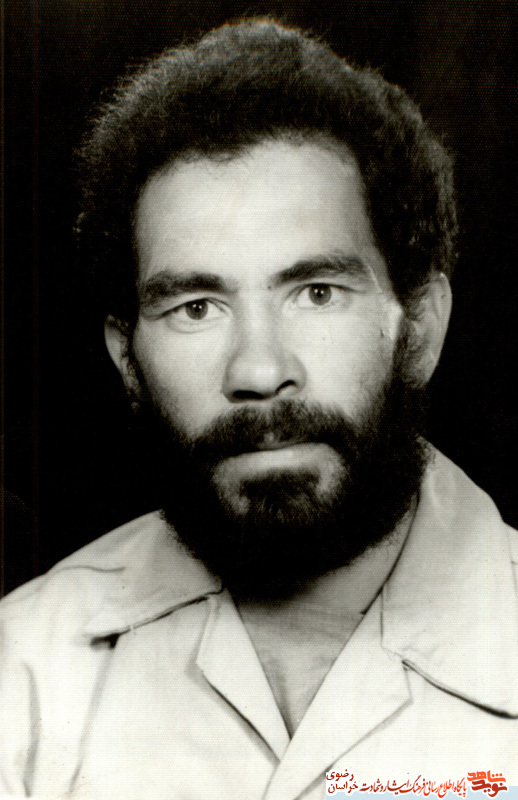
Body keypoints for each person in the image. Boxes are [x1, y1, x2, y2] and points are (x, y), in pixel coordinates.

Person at [1, 18, 517, 800]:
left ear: (419, 328)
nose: (260, 371)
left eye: (317, 293)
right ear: (126, 361)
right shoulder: (24, 669)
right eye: (197, 307)